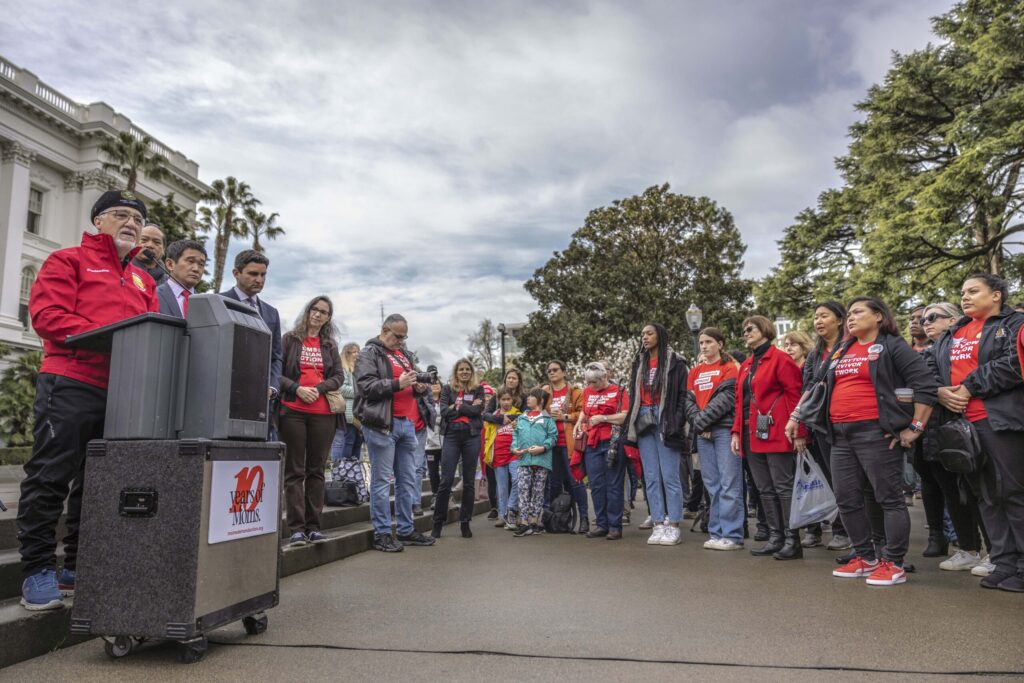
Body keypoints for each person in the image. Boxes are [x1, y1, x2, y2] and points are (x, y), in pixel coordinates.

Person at [18, 190, 158, 610]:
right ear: (97, 221)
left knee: (100, 484)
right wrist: (113, 335)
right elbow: (47, 317)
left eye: (136, 218)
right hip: (70, 381)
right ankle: (36, 570)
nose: (130, 223)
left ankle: (78, 566)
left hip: (123, 391)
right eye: (119, 214)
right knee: (51, 475)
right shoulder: (67, 260)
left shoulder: (143, 280)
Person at [818, 297, 938, 587]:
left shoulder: (893, 346)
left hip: (875, 432)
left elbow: (925, 387)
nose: (850, 318)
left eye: (858, 312)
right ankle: (865, 557)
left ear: (880, 317)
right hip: (841, 435)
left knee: (888, 499)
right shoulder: (843, 349)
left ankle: (894, 563)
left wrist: (914, 428)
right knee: (846, 498)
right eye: (848, 314)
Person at [932, 274, 1024, 591]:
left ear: (996, 295)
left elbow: (1015, 363)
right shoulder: (954, 332)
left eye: (973, 291)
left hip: (999, 421)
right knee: (986, 496)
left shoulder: (1014, 324)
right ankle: (1005, 561)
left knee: (1012, 493)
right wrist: (941, 391)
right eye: (962, 292)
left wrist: (970, 386)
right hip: (962, 426)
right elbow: (931, 369)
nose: (965, 297)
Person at [918, 302, 991, 572]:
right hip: (937, 432)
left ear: (953, 321)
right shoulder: (927, 352)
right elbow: (921, 380)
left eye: (934, 317)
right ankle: (968, 548)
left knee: (981, 491)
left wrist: (951, 390)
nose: (926, 322)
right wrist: (937, 390)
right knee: (952, 493)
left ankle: (996, 552)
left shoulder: (967, 343)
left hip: (969, 424)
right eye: (924, 318)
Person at [355, 314, 435, 552]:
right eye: (398, 336)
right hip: (382, 424)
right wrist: (396, 384)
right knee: (381, 481)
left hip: (407, 423)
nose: (401, 341)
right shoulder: (368, 353)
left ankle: (405, 529)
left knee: (407, 480)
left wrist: (418, 388)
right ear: (384, 329)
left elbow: (408, 385)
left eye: (404, 336)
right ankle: (381, 533)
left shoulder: (404, 355)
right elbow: (365, 387)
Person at [731, 315, 804, 560]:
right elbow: (740, 402)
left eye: (750, 328)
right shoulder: (746, 365)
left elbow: (796, 396)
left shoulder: (781, 359)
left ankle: (793, 540)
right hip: (752, 432)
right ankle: (776, 537)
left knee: (783, 486)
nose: (746, 332)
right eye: (744, 329)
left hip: (777, 429)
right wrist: (735, 432)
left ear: (765, 329)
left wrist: (799, 430)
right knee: (764, 488)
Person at [279, 296, 344, 546]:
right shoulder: (290, 340)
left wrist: (318, 388)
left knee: (316, 470)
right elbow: (278, 372)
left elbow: (338, 376)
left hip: (323, 413)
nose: (318, 315)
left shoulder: (329, 345)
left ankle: (314, 526)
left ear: (328, 318)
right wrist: (296, 388)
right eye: (314, 310)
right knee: (294, 471)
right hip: (292, 410)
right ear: (307, 312)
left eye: (324, 312)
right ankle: (296, 529)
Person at [791, 302, 852, 551]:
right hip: (821, 426)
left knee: (848, 482)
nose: (818, 321)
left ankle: (854, 533)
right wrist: (799, 424)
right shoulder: (815, 355)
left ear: (840, 320)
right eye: (815, 317)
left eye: (824, 316)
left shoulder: (850, 347)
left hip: (846, 422)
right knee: (830, 479)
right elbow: (807, 388)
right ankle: (839, 530)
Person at [622, 323, 689, 546]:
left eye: (649, 333)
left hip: (665, 417)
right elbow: (634, 394)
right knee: (650, 476)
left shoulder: (676, 362)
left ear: (660, 335)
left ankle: (674, 525)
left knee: (670, 476)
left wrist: (677, 422)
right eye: (642, 334)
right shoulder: (638, 362)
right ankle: (658, 522)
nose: (645, 337)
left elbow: (682, 396)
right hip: (643, 417)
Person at [686, 327, 742, 550]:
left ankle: (733, 535)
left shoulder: (729, 368)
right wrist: (701, 425)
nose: (704, 346)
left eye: (709, 342)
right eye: (701, 343)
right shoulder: (695, 372)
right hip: (703, 433)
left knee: (730, 483)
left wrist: (703, 423)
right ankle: (716, 532)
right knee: (712, 486)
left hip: (723, 430)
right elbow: (687, 403)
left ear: (720, 344)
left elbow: (727, 399)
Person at [220, 250, 283, 432]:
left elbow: (276, 356)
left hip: (261, 402)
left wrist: (272, 387)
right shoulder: (219, 301)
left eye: (263, 275)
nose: (259, 280)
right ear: (236, 273)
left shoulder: (271, 313)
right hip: (226, 399)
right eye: (253, 274)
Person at [432, 358, 487, 538]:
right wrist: (467, 407)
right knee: (446, 480)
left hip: (471, 436)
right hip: (452, 436)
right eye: (461, 369)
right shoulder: (447, 389)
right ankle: (437, 523)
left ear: (471, 372)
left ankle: (465, 522)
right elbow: (444, 412)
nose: (464, 372)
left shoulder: (478, 390)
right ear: (456, 372)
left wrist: (457, 406)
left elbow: (477, 412)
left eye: (467, 369)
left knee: (469, 481)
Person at [574, 362, 630, 540]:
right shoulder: (588, 391)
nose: (591, 386)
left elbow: (625, 415)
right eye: (589, 382)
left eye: (595, 382)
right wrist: (578, 423)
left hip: (612, 441)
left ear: (604, 377)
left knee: (614, 484)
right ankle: (601, 523)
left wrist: (604, 418)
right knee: (596, 484)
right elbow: (584, 411)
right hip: (592, 442)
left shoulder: (619, 391)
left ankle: (615, 525)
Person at [541, 360, 589, 533]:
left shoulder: (575, 392)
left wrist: (565, 416)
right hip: (551, 445)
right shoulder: (545, 393)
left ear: (564, 372)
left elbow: (583, 414)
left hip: (569, 444)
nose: (551, 373)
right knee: (553, 484)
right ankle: (557, 520)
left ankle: (584, 519)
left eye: (555, 370)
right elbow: (537, 412)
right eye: (549, 370)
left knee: (575, 482)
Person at [511, 388, 559, 536]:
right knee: (523, 490)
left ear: (541, 400)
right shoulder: (521, 418)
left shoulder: (548, 419)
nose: (529, 398)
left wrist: (542, 448)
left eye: (532, 396)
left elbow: (553, 437)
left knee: (538, 492)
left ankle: (534, 521)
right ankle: (524, 522)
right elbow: (515, 436)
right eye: (528, 396)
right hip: (524, 460)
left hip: (542, 461)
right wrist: (514, 448)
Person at [491, 389, 522, 528]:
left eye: (508, 399)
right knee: (501, 487)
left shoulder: (519, 414)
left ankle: (511, 509)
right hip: (498, 453)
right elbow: (487, 435)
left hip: (514, 452)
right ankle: (502, 515)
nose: (506, 402)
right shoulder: (493, 415)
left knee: (517, 479)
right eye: (503, 399)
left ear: (512, 400)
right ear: (499, 400)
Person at [155, 239, 207, 318]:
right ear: (170, 264)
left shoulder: (206, 304)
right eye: (190, 261)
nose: (196, 269)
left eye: (201, 264)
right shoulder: (153, 296)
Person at [329, 343, 362, 467]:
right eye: (353, 352)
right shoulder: (343, 369)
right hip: (347, 413)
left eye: (358, 351)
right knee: (347, 441)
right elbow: (342, 388)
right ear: (346, 354)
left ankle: (354, 471)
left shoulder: (358, 369)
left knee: (357, 443)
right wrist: (361, 392)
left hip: (358, 414)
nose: (356, 354)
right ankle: (343, 471)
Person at [425, 379, 444, 497]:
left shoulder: (445, 401)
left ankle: (446, 496)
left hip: (445, 442)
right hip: (430, 443)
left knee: (447, 472)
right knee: (433, 472)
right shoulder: (425, 402)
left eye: (437, 383)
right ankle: (435, 495)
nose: (435, 385)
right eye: (432, 383)